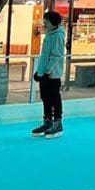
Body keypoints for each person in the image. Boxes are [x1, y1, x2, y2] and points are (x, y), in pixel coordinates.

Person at [31, 10, 67, 138]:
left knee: (54, 97)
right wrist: (39, 72)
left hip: (52, 74)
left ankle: (57, 123)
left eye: (46, 20)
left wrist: (47, 72)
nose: (44, 22)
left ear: (52, 22)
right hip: (45, 73)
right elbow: (45, 56)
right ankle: (48, 121)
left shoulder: (58, 36)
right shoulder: (50, 34)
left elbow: (56, 56)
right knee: (45, 97)